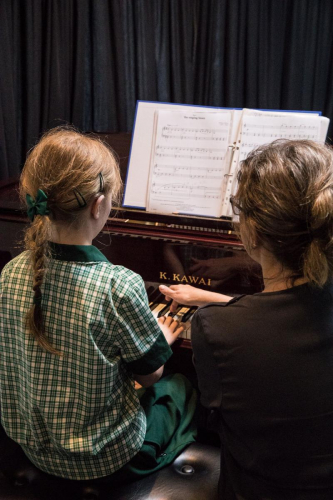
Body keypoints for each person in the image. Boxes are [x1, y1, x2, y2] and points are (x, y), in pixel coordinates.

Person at [0, 127, 197, 482]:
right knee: (180, 385)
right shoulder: (118, 285)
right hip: (105, 460)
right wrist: (161, 340)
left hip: (35, 448)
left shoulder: (11, 272)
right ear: (98, 203)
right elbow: (150, 375)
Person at [160, 139, 333, 499]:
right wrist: (217, 298)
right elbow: (283, 316)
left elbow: (218, 419)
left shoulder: (216, 328)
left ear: (250, 233)